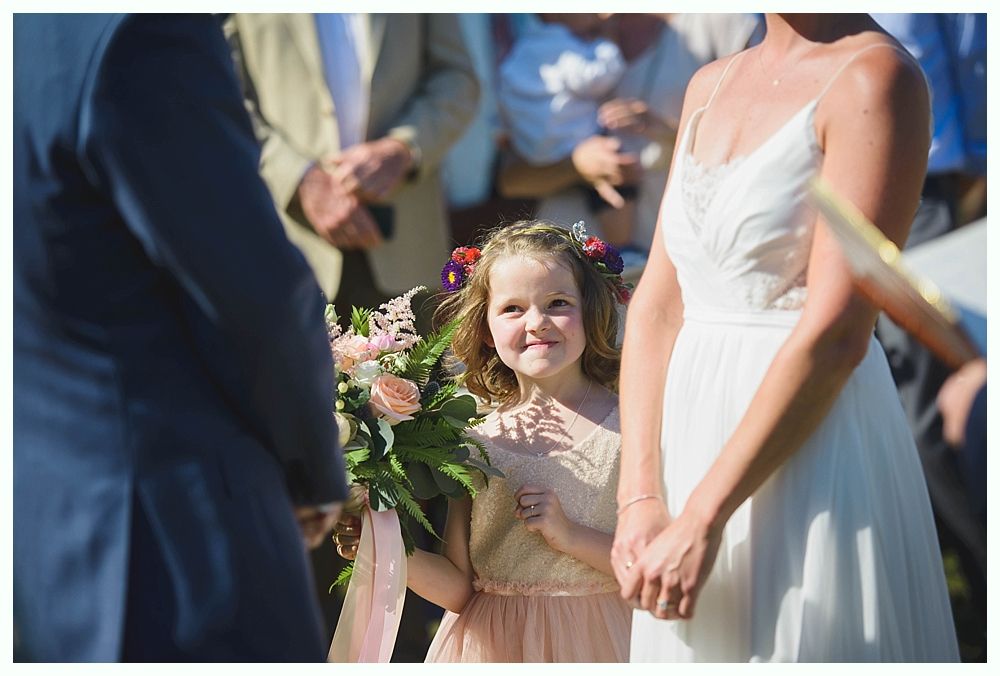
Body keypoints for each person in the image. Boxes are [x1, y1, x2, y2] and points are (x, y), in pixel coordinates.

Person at [611, 14, 959, 661]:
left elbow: (837, 332)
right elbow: (658, 304)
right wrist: (640, 496)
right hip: (686, 446)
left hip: (808, 444)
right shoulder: (709, 83)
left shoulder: (876, 79)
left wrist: (703, 518)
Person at [13, 15, 346, 661]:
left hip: (43, 527)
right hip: (176, 531)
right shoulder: (141, 27)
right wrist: (310, 465)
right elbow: (256, 289)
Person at [334, 222, 632, 661]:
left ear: (590, 312)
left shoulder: (628, 425)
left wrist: (570, 536)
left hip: (600, 642)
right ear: (487, 329)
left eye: (558, 303)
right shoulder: (475, 442)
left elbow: (653, 564)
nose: (537, 322)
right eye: (513, 308)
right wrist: (382, 546)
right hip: (492, 649)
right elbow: (460, 587)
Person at [225, 14, 479, 318]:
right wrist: (298, 178)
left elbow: (456, 77)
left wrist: (404, 147)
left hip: (405, 246)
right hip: (286, 246)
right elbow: (219, 91)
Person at [498, 13, 760, 267]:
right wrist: (576, 166)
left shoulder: (722, 23)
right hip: (568, 268)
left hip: (675, 257)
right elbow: (510, 181)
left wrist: (669, 132)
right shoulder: (549, 44)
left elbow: (762, 152)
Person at [499, 14, 635, 248]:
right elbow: (594, 77)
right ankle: (624, 247)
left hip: (536, 149)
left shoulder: (523, 48)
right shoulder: (562, 46)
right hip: (576, 143)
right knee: (617, 184)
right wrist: (608, 43)